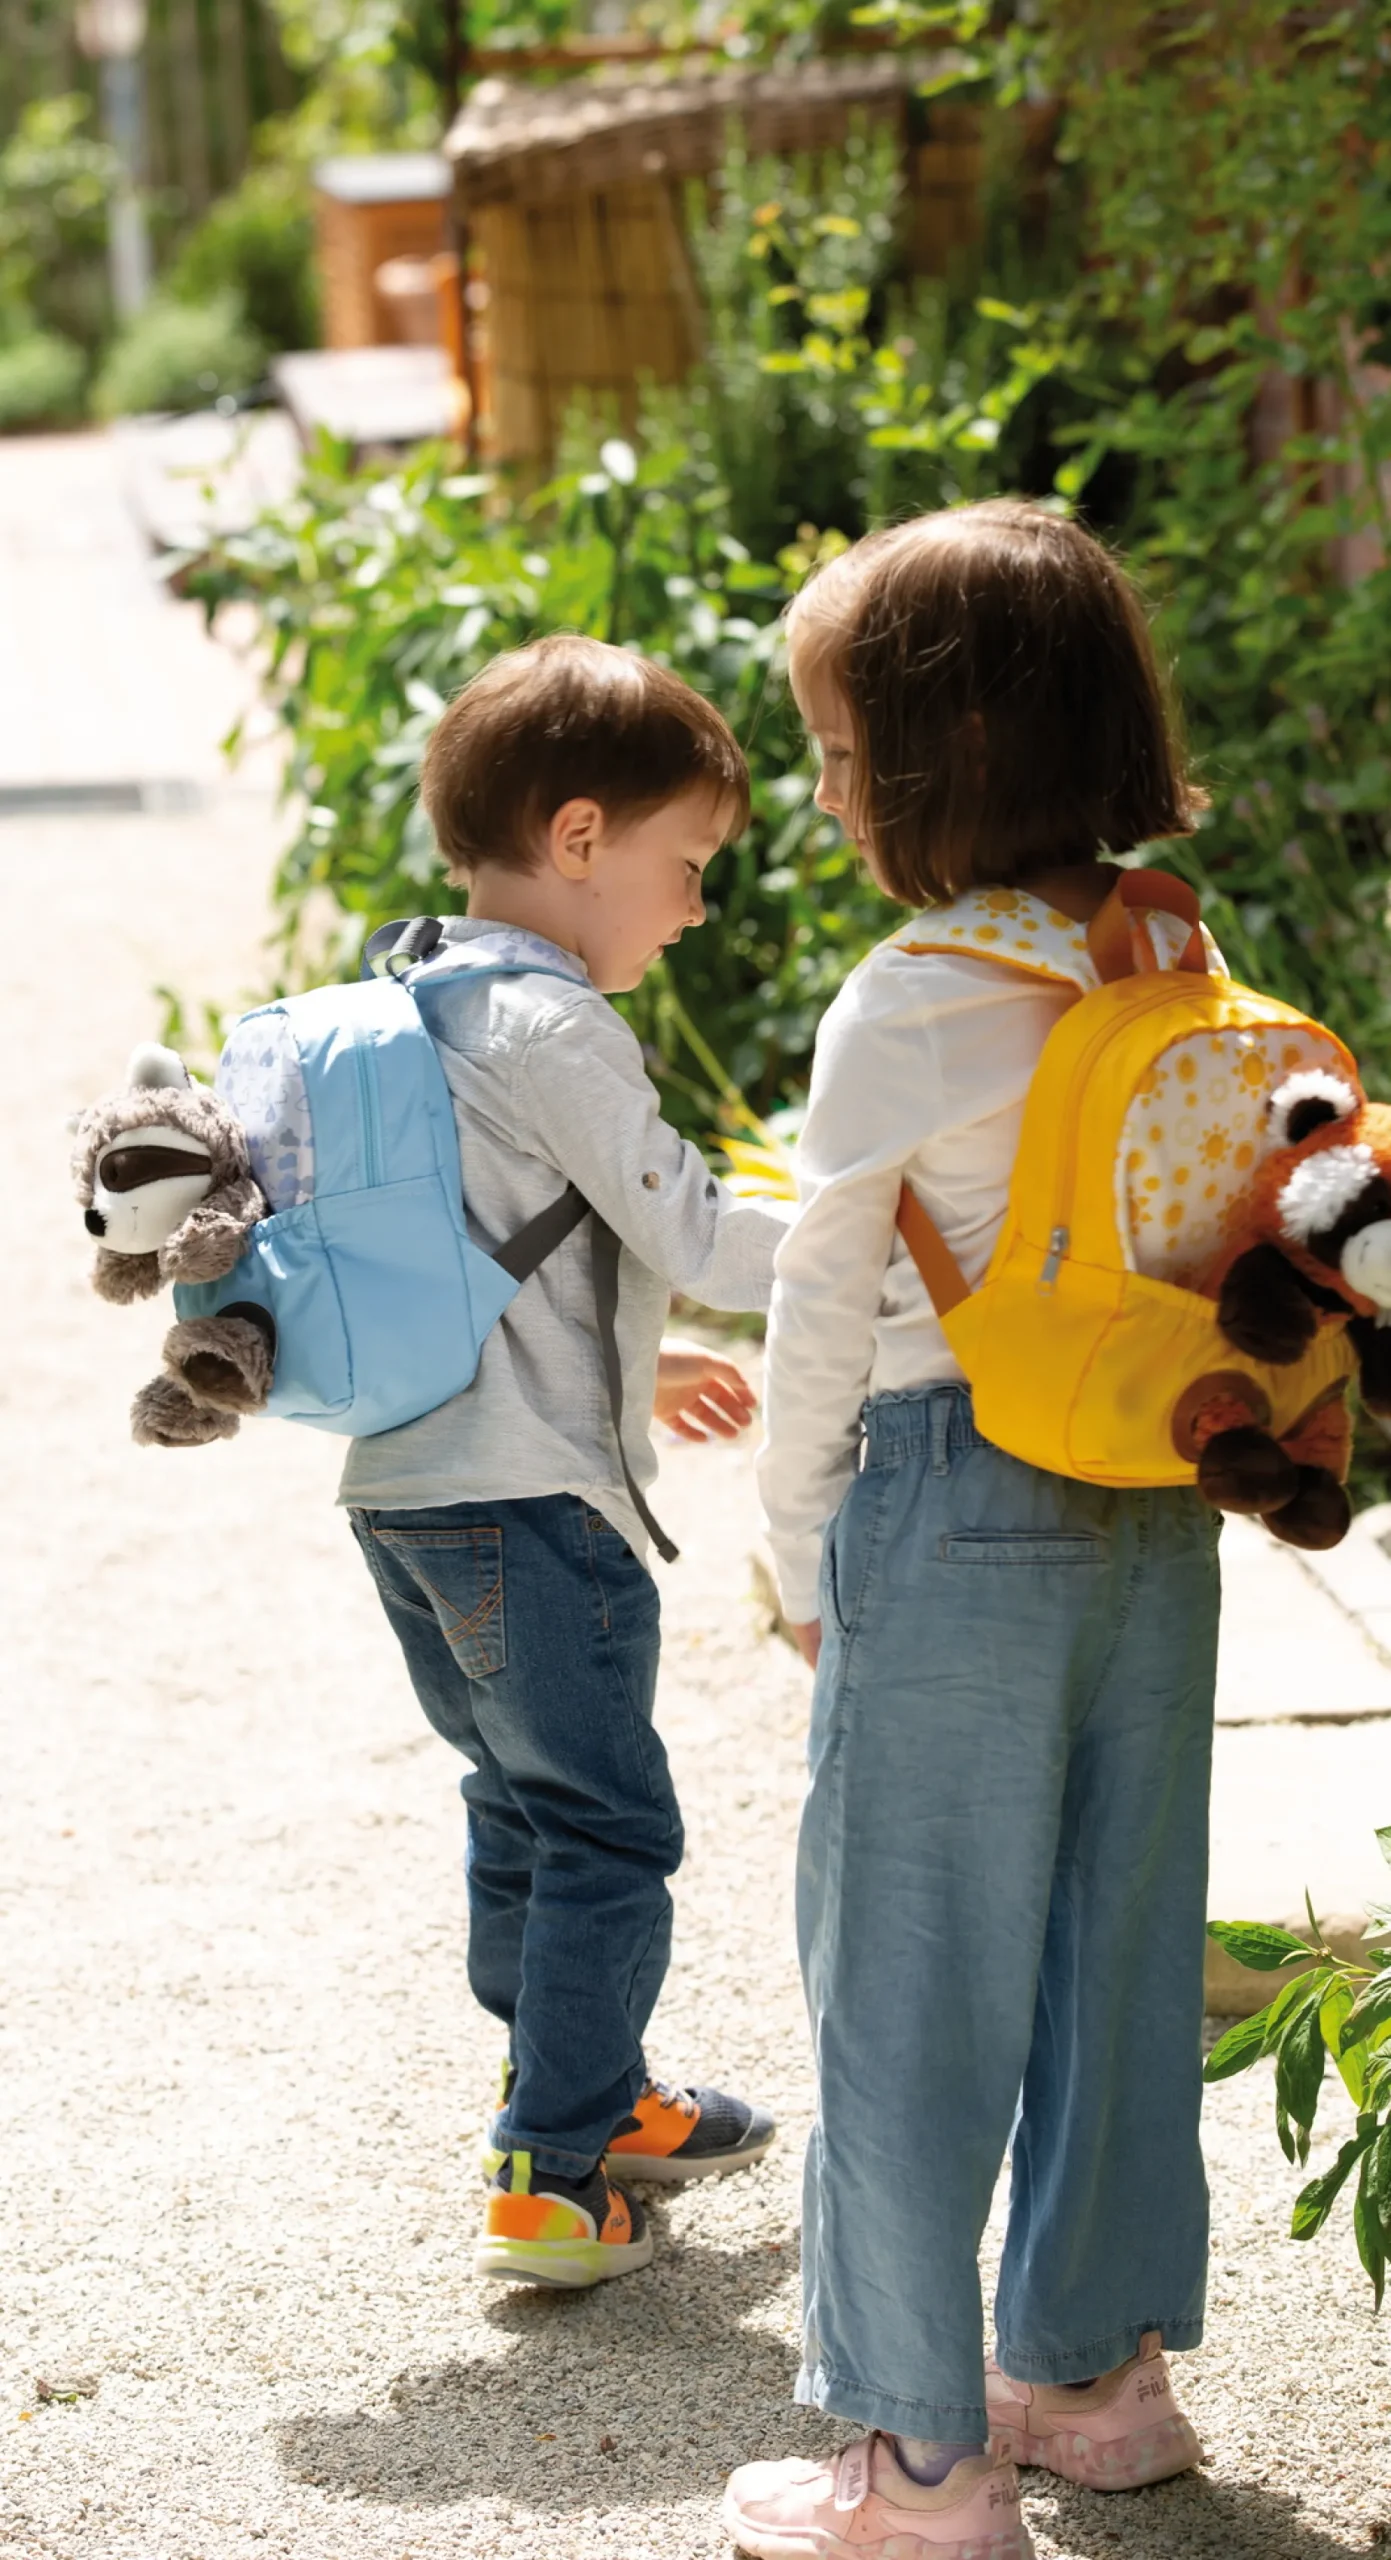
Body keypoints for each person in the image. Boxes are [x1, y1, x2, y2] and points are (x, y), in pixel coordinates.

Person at [724, 503, 1219, 2560]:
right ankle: (1094, 2381)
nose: (827, 795)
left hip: (952, 1500)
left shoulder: (913, 995)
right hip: (1156, 1509)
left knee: (906, 1984)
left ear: (956, 747)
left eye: (845, 753)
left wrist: (791, 1547)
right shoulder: (1170, 946)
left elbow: (821, 1298)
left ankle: (918, 2470)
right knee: (1119, 1941)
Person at [344, 634, 787, 2290]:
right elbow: (699, 1232)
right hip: (534, 1502)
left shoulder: (413, 997)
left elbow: (474, 1249)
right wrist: (900, 1238)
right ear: (583, 837)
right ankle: (552, 2168)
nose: (695, 910)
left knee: (523, 1802)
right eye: (688, 866)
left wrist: (629, 1354)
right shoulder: (554, 1021)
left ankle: (572, 2085)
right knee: (607, 1827)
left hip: (410, 1489)